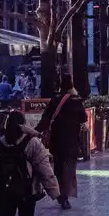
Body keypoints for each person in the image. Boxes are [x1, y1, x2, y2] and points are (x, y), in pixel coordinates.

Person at [46, 71, 87, 209]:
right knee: (68, 169)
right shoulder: (76, 101)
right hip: (71, 141)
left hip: (56, 140)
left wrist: (36, 131)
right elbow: (83, 118)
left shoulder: (54, 100)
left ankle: (60, 193)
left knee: (58, 167)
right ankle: (65, 196)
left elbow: (46, 118)